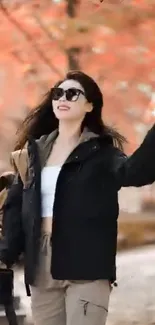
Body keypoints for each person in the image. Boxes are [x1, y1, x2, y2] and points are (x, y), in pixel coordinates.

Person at [0, 70, 155, 325]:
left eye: (73, 94)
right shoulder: (33, 153)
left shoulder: (102, 154)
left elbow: (135, 173)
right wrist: (5, 254)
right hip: (41, 267)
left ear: (89, 105)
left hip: (87, 264)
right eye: (58, 93)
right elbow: (16, 207)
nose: (63, 98)